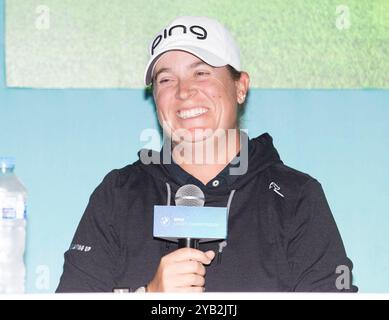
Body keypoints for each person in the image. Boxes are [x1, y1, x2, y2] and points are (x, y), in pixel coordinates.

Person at [56, 16, 357, 293]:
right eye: (166, 79)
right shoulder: (119, 194)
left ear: (241, 87)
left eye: (201, 73)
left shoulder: (295, 196)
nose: (184, 91)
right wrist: (147, 297)